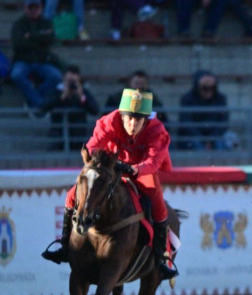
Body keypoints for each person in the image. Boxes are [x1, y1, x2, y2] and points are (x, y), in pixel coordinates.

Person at [41, 88, 179, 279]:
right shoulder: (108, 121)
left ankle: (161, 258)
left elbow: (153, 161)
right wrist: (100, 162)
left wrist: (136, 169)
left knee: (157, 203)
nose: (132, 124)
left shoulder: (157, 130)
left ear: (145, 120)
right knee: (72, 195)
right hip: (110, 168)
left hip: (141, 170)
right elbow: (93, 146)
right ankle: (65, 245)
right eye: (128, 118)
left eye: (137, 120)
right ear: (121, 116)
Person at [9, 0, 64, 112]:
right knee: (16, 75)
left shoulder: (46, 23)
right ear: (26, 8)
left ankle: (34, 98)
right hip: (23, 60)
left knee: (57, 77)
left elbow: (51, 39)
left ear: (41, 8)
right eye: (31, 7)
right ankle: (40, 103)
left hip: (42, 60)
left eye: (36, 7)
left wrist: (30, 37)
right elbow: (18, 45)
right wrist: (40, 38)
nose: (33, 10)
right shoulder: (19, 24)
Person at [42, 64, 100, 150]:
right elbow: (44, 107)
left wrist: (82, 97)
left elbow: (95, 110)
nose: (71, 85)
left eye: (74, 81)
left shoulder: (83, 92)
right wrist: (61, 97)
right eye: (69, 81)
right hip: (59, 132)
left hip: (78, 134)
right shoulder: (56, 91)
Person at [178, 69, 231, 149]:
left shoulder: (220, 98)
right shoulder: (187, 99)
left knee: (228, 139)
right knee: (196, 143)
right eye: (205, 88)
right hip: (195, 136)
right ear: (198, 87)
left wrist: (211, 139)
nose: (209, 91)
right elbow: (186, 123)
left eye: (212, 87)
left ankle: (219, 160)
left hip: (215, 135)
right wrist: (202, 139)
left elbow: (223, 122)